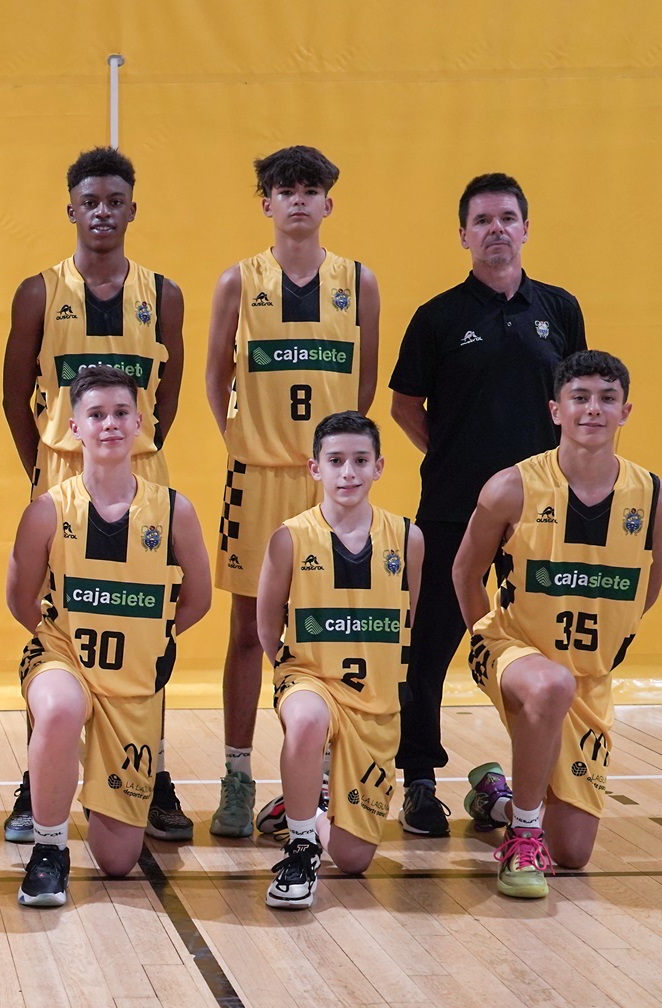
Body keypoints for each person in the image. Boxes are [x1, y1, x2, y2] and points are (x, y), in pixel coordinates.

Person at [0, 145, 193, 844]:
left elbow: (166, 398)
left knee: (147, 623)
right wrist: (44, 466)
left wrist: (132, 450)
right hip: (60, 468)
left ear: (132, 209)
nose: (102, 213)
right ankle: (37, 783)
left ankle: (152, 772)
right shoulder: (38, 291)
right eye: (90, 203)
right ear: (71, 210)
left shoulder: (163, 294)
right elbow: (12, 394)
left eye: (115, 202)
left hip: (138, 469)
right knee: (52, 623)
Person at [390, 173, 588, 838]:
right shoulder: (438, 317)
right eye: (482, 220)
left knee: (544, 649)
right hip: (454, 509)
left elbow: (576, 401)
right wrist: (454, 456)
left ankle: (538, 784)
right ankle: (420, 781)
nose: (496, 229)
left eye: (507, 217)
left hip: (542, 517)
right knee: (428, 646)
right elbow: (404, 405)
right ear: (464, 236)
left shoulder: (559, 309)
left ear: (525, 228)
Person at [204, 145, 380, 839]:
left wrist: (341, 460)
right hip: (258, 478)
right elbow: (216, 375)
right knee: (249, 631)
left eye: (310, 189)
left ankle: (322, 778)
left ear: (328, 203)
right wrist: (243, 438)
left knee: (329, 629)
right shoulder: (238, 281)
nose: (299, 199)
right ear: (267, 204)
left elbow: (363, 383)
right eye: (286, 189)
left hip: (329, 485)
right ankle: (237, 775)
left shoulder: (358, 282)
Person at [452, 351, 662, 899]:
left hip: (587, 677)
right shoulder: (512, 487)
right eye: (580, 397)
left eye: (607, 398)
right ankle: (522, 837)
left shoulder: (653, 496)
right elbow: (464, 572)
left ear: (625, 411)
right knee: (549, 684)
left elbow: (646, 589)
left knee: (572, 852)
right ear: (555, 410)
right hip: (512, 650)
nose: (593, 409)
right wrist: (487, 646)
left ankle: (498, 799)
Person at [6, 366, 211, 907]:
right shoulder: (47, 510)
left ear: (140, 422)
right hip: (63, 660)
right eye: (96, 415)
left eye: (121, 413)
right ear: (74, 427)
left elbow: (198, 598)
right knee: (58, 707)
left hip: (131, 683)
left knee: (119, 861)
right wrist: (62, 644)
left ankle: (96, 790)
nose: (110, 424)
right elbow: (20, 600)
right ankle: (49, 849)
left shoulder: (174, 510)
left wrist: (152, 639)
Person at [253, 412, 422, 908]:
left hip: (374, 700)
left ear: (379, 467)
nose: (348, 472)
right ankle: (301, 844)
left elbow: (408, 618)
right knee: (306, 718)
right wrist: (290, 674)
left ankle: (306, 805)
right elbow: (267, 624)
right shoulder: (290, 537)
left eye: (360, 461)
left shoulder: (407, 538)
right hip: (311, 680)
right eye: (336, 461)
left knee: (353, 858)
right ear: (315, 468)